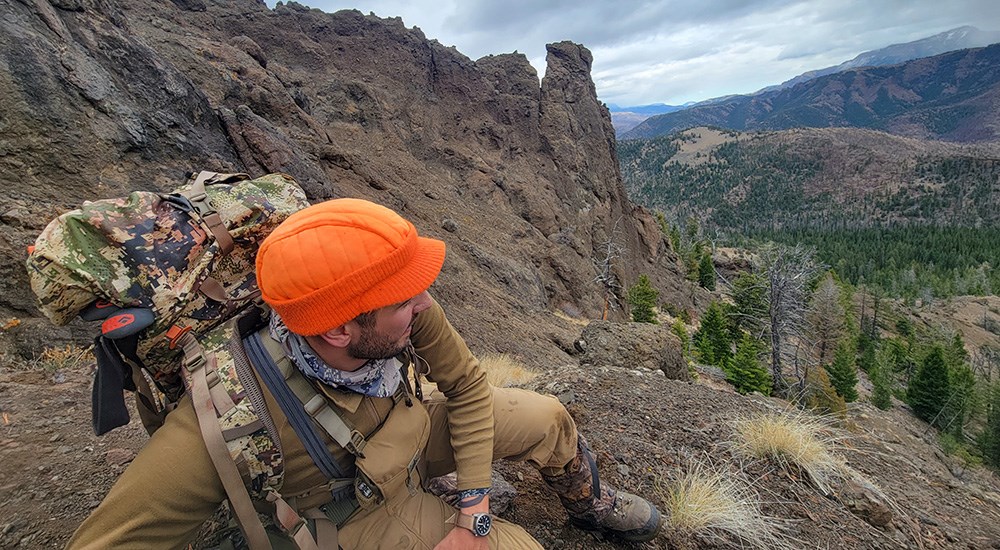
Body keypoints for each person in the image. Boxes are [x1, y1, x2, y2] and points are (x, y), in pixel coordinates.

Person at [66, 198, 662, 549]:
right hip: (356, 512)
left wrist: (474, 506)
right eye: (407, 298)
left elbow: (469, 388)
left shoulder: (395, 311)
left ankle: (591, 503)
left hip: (410, 437)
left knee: (546, 416)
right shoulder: (226, 418)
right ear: (337, 331)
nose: (426, 304)